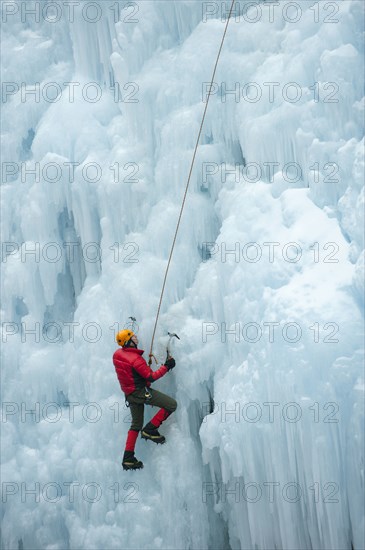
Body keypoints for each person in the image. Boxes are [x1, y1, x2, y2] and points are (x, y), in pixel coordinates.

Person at [113, 329, 177, 470]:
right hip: (141, 393)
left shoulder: (117, 355)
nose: (136, 337)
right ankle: (150, 429)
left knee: (135, 425)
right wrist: (167, 366)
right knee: (171, 405)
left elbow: (131, 373)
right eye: (133, 336)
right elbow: (151, 377)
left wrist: (142, 368)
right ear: (129, 341)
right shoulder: (135, 359)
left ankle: (128, 458)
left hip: (130, 394)